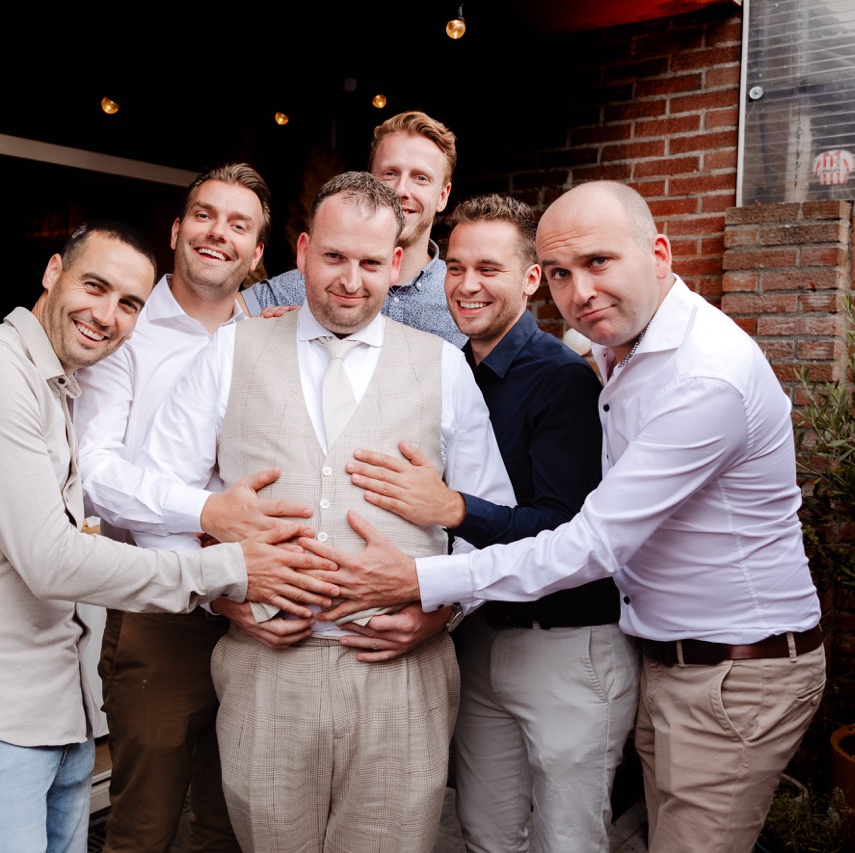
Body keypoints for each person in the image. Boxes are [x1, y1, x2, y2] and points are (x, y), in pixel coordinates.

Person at [305, 181, 826, 853]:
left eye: (598, 262)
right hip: (655, 653)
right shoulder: (612, 350)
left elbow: (588, 542)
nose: (580, 291)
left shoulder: (699, 377)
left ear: (659, 254)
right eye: (562, 272)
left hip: (727, 663)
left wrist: (428, 567)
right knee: (503, 830)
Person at [0, 221, 337, 853]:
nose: (106, 315)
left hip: (51, 714)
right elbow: (51, 559)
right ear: (52, 272)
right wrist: (230, 568)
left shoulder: (53, 386)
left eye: (129, 304)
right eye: (94, 286)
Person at [134, 172, 514, 853]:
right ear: (304, 251)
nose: (350, 280)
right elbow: (157, 496)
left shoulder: (444, 366)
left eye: (370, 262)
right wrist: (218, 596)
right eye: (334, 257)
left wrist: (444, 612)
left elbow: (493, 524)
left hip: (403, 678)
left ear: (394, 263)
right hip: (266, 673)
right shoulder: (232, 350)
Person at [346, 193, 640, 852]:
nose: (467, 284)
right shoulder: (451, 370)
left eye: (488, 268)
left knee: (568, 840)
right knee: (485, 833)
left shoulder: (561, 380)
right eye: (455, 267)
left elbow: (567, 531)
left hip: (566, 646)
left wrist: (454, 508)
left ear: (530, 278)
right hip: (478, 636)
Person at [74, 165, 292, 853]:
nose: (217, 233)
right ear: (176, 230)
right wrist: (206, 513)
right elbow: (93, 472)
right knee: (144, 824)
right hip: (159, 607)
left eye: (238, 224)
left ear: (257, 253)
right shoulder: (126, 328)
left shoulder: (275, 336)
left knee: (233, 821)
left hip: (257, 607)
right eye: (204, 215)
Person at [240, 110, 465, 346]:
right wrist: (267, 328)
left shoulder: (462, 295)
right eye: (389, 173)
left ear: (443, 196)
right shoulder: (311, 281)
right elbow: (221, 318)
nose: (401, 190)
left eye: (420, 178)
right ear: (369, 182)